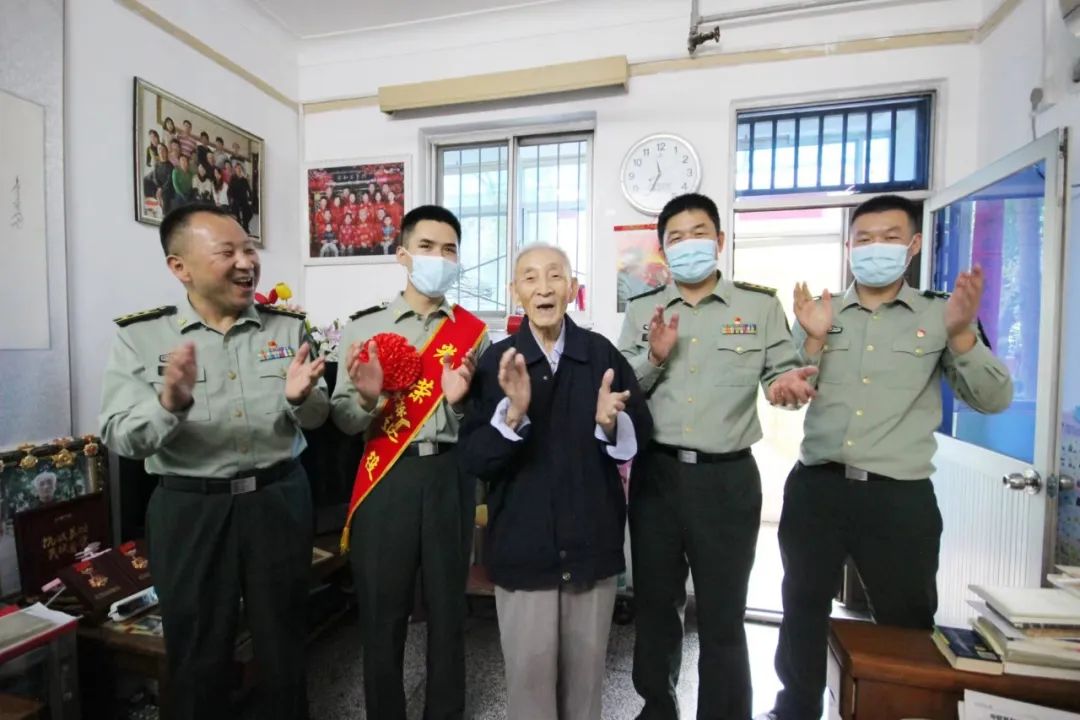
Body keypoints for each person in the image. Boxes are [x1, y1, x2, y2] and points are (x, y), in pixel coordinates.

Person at [760, 195, 1014, 720]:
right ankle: (795, 708)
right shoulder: (821, 312)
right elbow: (782, 392)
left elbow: (993, 399)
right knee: (801, 609)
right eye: (865, 239)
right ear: (849, 246)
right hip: (817, 488)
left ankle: (903, 710)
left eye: (890, 237)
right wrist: (812, 342)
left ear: (914, 244)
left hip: (899, 497)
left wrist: (962, 335)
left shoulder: (941, 313)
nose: (876, 247)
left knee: (907, 621)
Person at [100, 204, 328, 720]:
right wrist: (168, 405)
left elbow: (316, 418)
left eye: (249, 249)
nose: (246, 262)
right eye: (228, 252)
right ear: (179, 267)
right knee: (197, 654)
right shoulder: (142, 337)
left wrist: (299, 399)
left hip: (278, 500)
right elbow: (120, 436)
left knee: (286, 646)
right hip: (191, 511)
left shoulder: (287, 328)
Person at [617, 193, 818, 720]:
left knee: (723, 613)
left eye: (699, 233)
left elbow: (781, 375)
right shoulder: (642, 310)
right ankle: (656, 708)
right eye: (676, 238)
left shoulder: (759, 307)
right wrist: (655, 356)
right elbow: (622, 390)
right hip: (657, 476)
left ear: (720, 240)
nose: (689, 245)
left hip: (727, 480)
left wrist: (787, 386)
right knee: (656, 606)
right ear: (663, 249)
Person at [460, 243, 653, 720]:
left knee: (585, 691)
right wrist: (514, 413)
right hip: (523, 552)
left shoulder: (600, 354)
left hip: (591, 548)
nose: (543, 287)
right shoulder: (499, 362)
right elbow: (476, 459)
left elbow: (640, 434)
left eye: (554, 276)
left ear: (572, 288)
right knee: (529, 690)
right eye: (530, 277)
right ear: (515, 291)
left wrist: (610, 423)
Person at [331, 205, 489, 720]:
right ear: (402, 254)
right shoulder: (364, 328)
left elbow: (483, 424)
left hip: (450, 475)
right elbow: (343, 421)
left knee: (449, 612)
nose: (438, 258)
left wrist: (460, 404)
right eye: (426, 247)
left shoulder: (474, 334)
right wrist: (369, 398)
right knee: (382, 613)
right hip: (388, 478)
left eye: (449, 250)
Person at [229, 162, 253, 233]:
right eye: (237, 168)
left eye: (240, 168)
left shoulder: (244, 180)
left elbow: (249, 190)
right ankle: (239, 227)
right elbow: (230, 191)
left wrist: (250, 199)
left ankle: (245, 226)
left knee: (249, 213)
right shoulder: (233, 179)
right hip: (236, 199)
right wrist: (231, 198)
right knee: (235, 211)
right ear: (235, 170)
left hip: (243, 199)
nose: (239, 170)